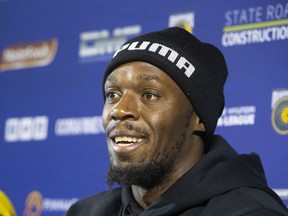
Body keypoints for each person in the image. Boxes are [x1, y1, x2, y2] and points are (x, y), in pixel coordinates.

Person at [65, 27, 288, 216]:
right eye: (112, 94)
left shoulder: (250, 211)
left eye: (149, 95)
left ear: (199, 117)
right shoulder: (85, 211)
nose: (120, 110)